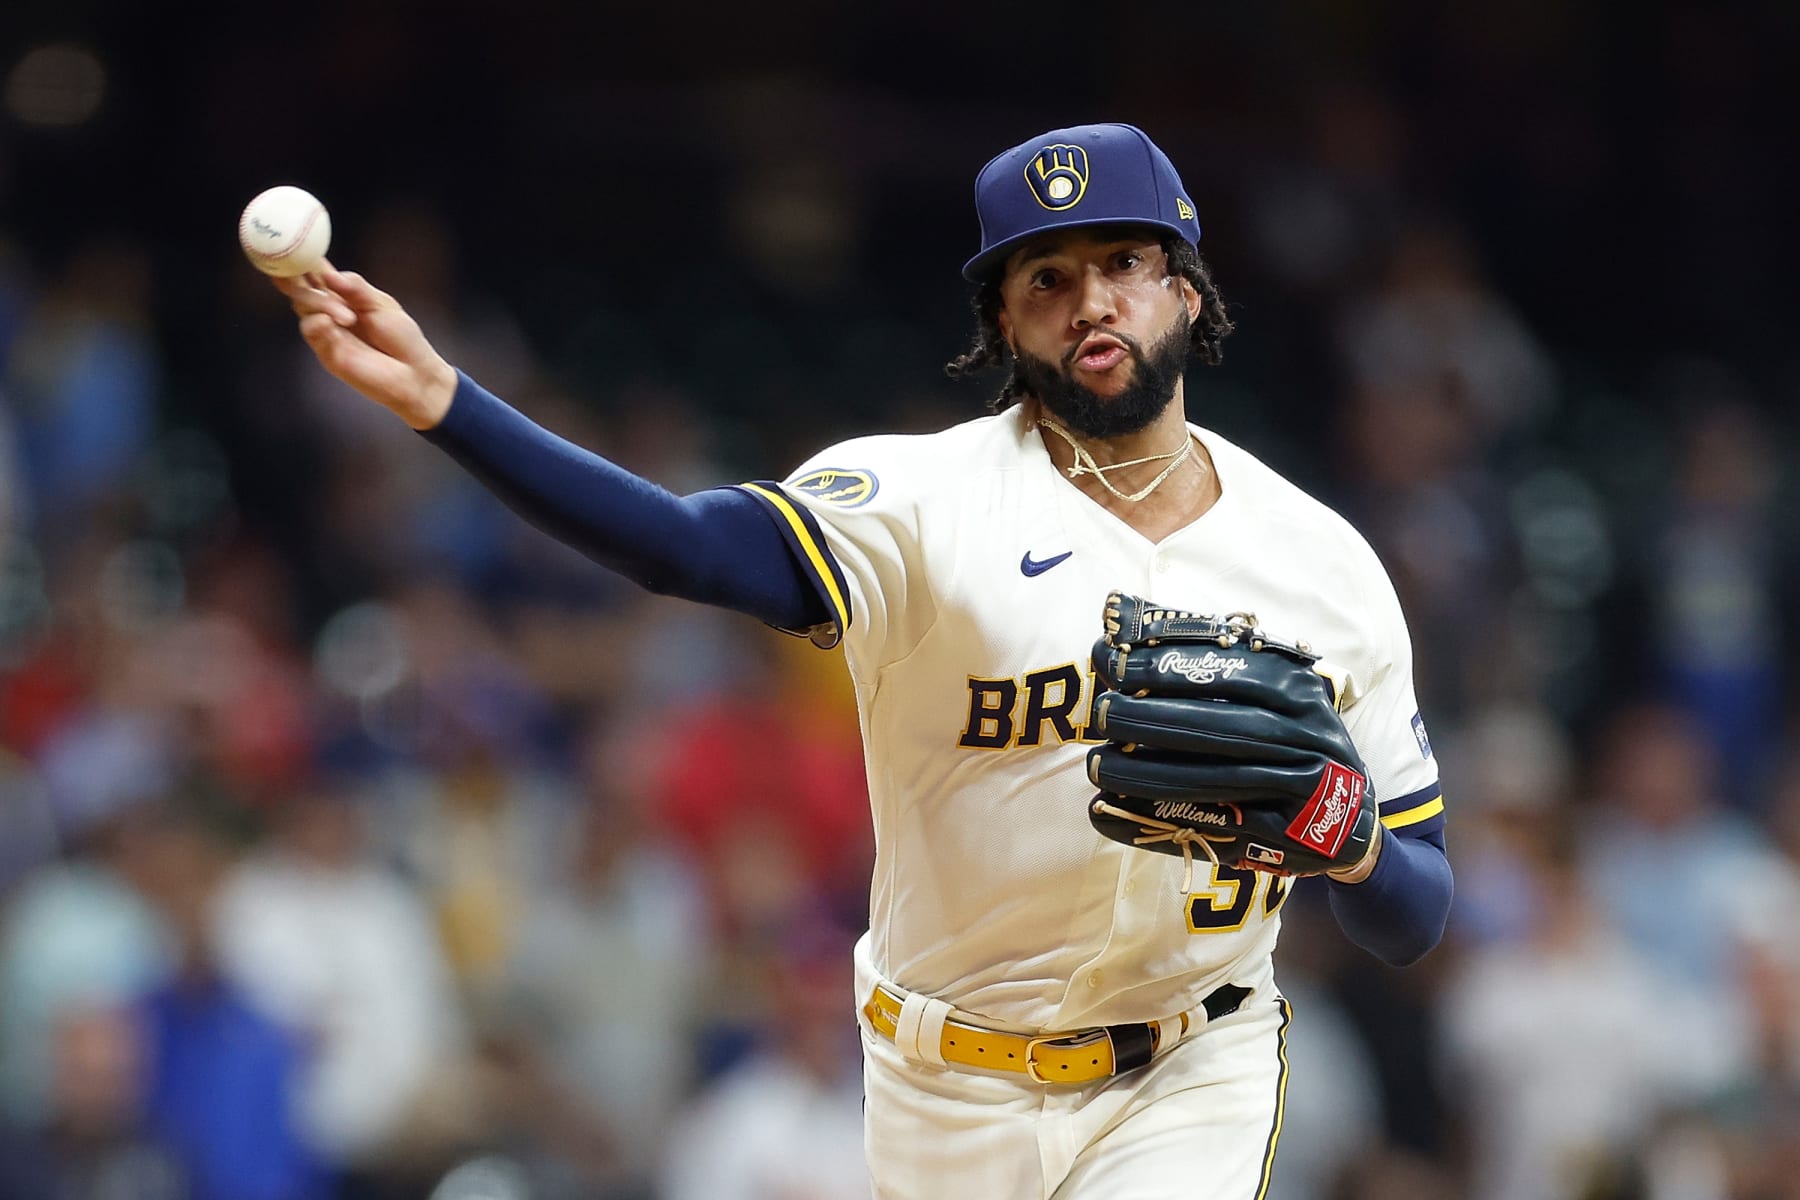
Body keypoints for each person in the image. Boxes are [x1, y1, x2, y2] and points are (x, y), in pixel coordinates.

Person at [274, 121, 1453, 1199]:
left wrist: (1348, 839)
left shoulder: (1321, 563)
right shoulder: (919, 502)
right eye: (1046, 277)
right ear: (1002, 322)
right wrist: (444, 400)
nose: (1090, 301)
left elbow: (1417, 911)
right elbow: (683, 550)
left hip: (1192, 1067)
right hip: (948, 1083)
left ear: (1187, 290)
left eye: (1123, 264)